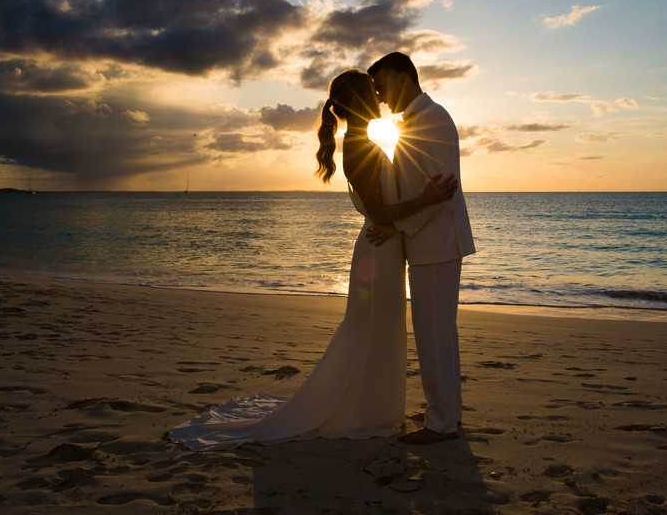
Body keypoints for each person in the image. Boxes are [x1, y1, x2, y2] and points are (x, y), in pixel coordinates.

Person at [168, 69, 457, 451]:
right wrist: (428, 199)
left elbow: (383, 210)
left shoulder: (362, 138)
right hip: (379, 248)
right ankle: (368, 411)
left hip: (385, 246)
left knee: (380, 331)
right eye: (373, 93)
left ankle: (379, 406)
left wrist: (402, 224)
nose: (380, 98)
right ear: (358, 103)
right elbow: (377, 209)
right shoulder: (358, 144)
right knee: (372, 330)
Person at [367, 52, 476, 445]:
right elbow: (421, 190)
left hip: (438, 241)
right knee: (438, 332)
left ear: (402, 78)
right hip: (430, 241)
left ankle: (442, 422)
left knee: (433, 333)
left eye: (382, 87)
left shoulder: (433, 118)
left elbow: (440, 193)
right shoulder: (415, 120)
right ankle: (445, 408)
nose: (380, 97)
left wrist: (395, 225)